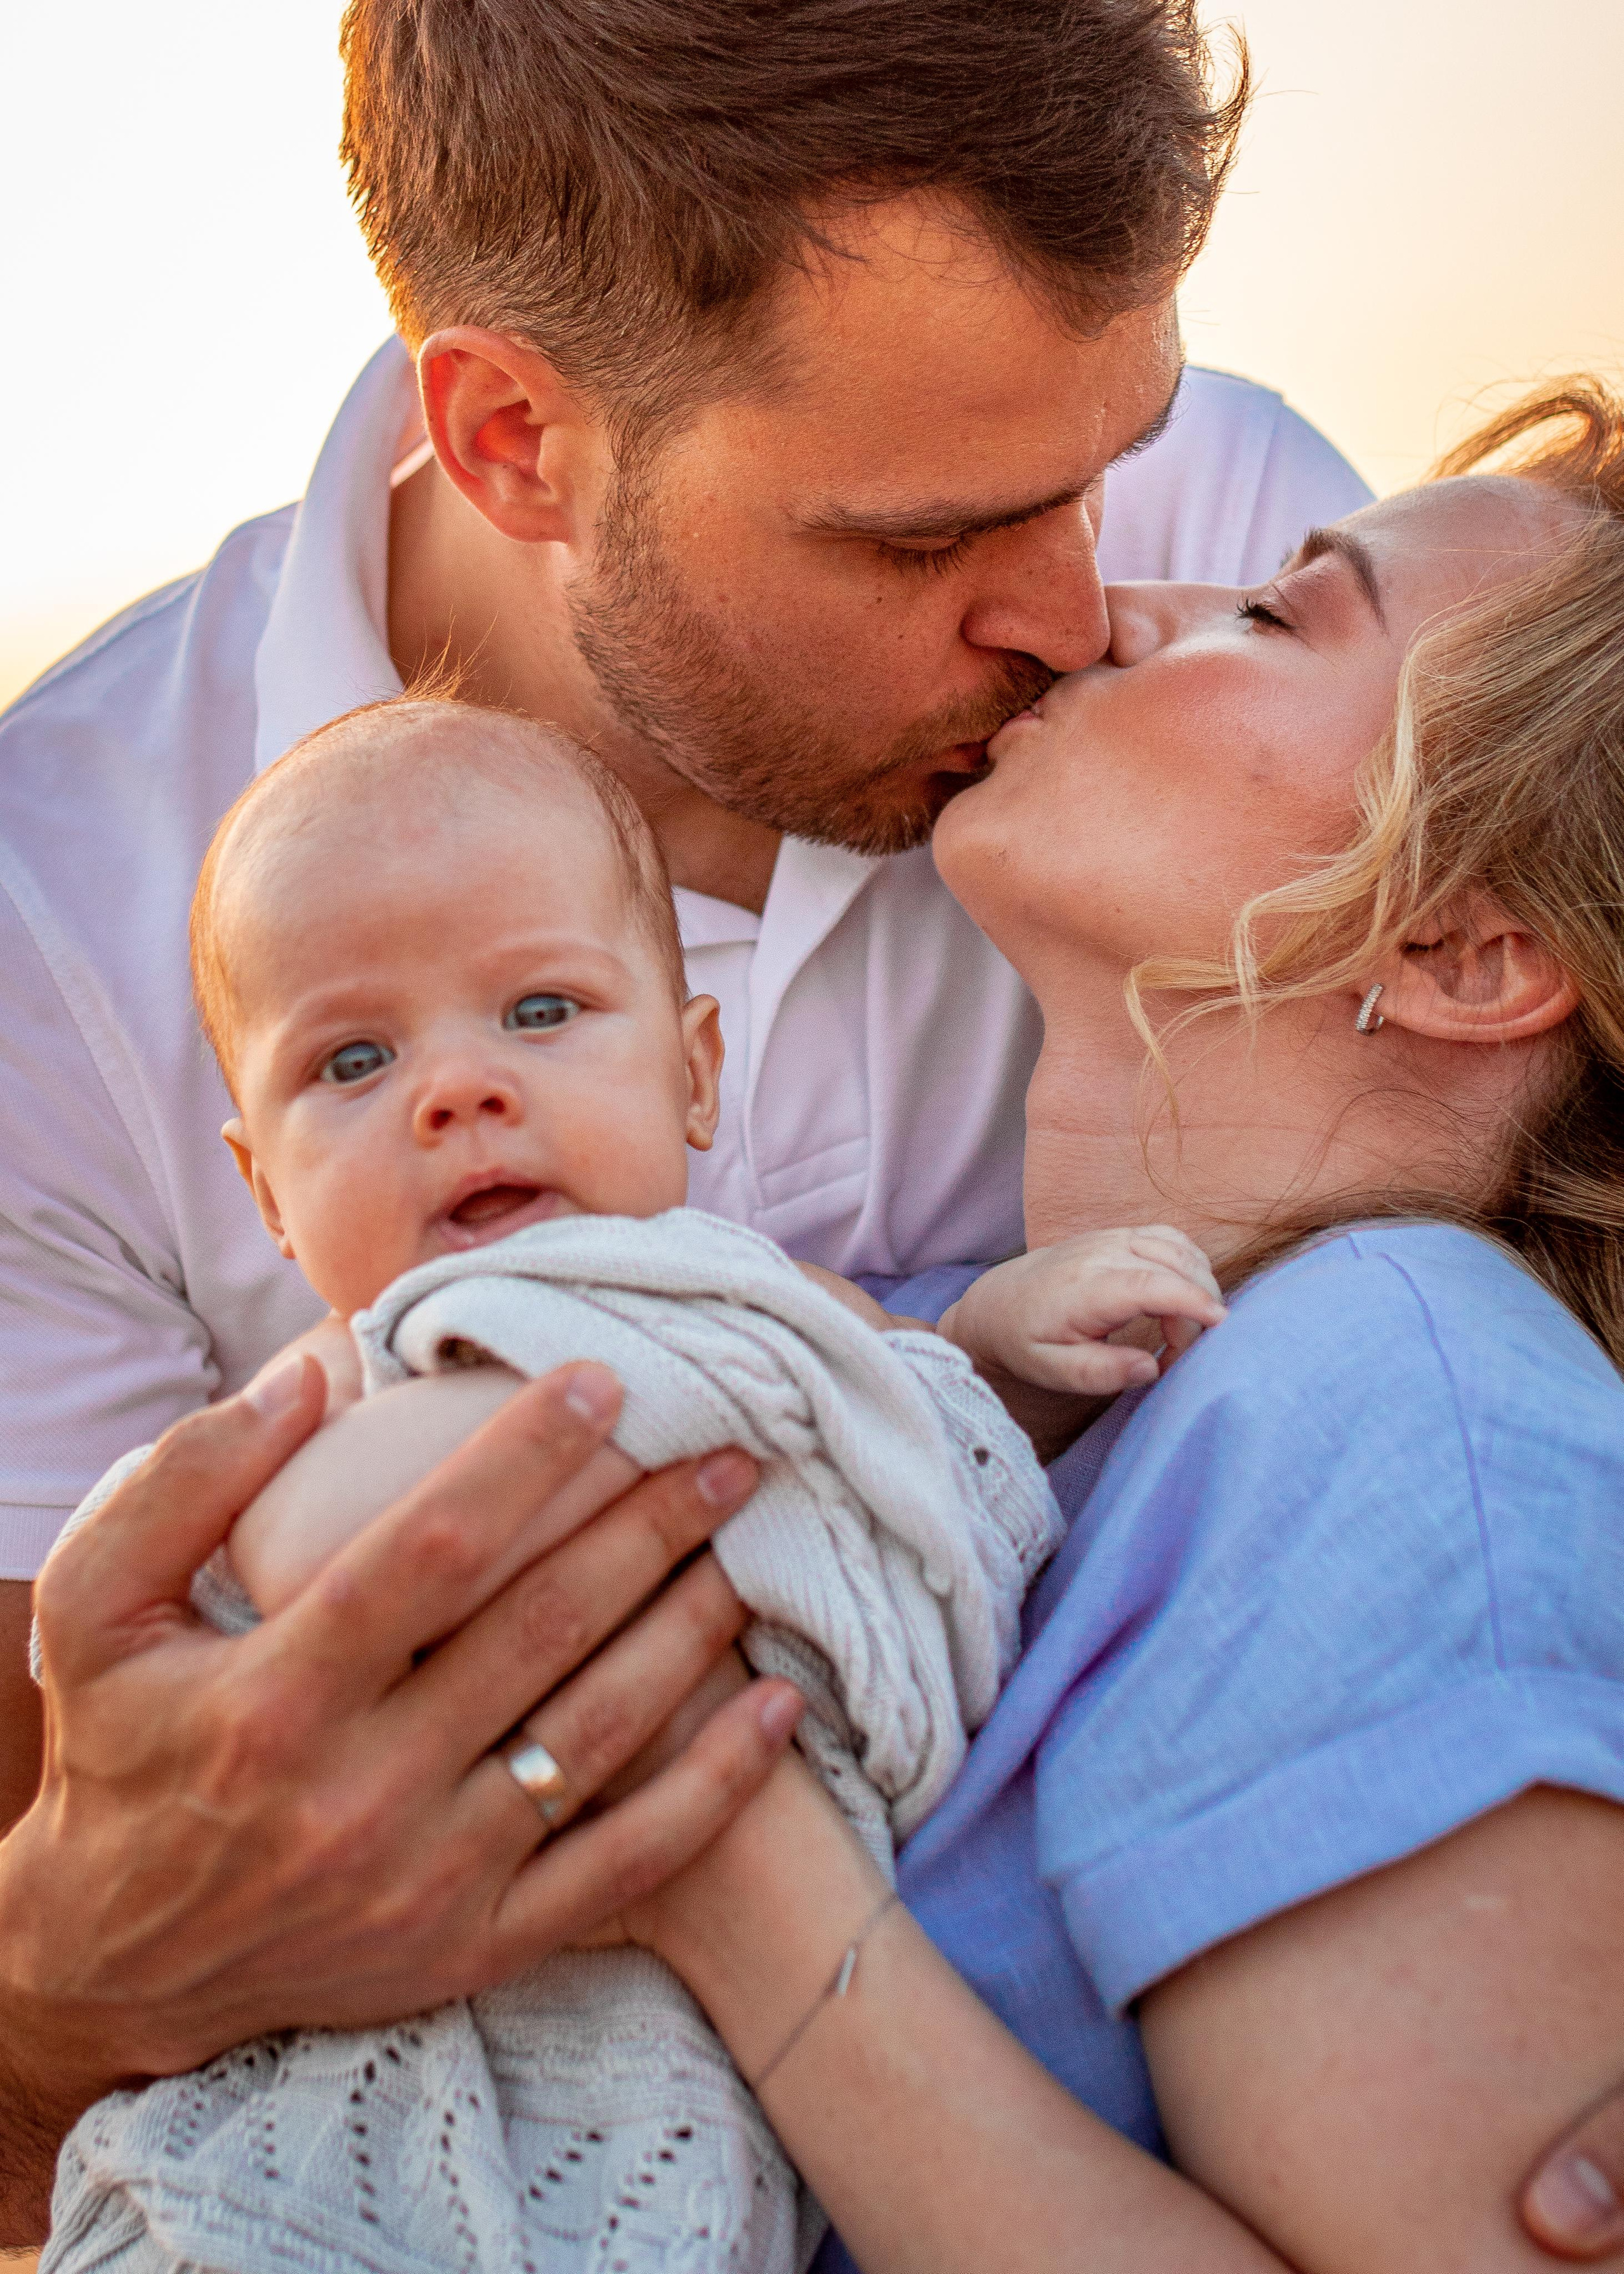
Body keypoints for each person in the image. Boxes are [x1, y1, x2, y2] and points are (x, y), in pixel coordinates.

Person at [0, 0, 1372, 2233]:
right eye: (918, 542)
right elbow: (55, 1999)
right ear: (514, 437)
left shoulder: (1257, 558)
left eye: (1105, 462)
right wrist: (58, 1995)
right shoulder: (46, 935)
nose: (1079, 611)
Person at [538, 379, 1624, 2272]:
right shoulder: (959, 1367)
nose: (1115, 615)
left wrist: (730, 1876)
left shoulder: (1405, 1400)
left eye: (1277, 615)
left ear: (1465, 951)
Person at [41, 693, 1218, 2273]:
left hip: (708, 2091)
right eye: (353, 1059)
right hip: (339, 2151)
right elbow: (318, 1552)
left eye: (538, 1011)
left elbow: (890, 1418)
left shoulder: (762, 1304)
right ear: (264, 1188)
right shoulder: (343, 1375)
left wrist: (1006, 1343)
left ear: (691, 1070)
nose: (455, 1091)